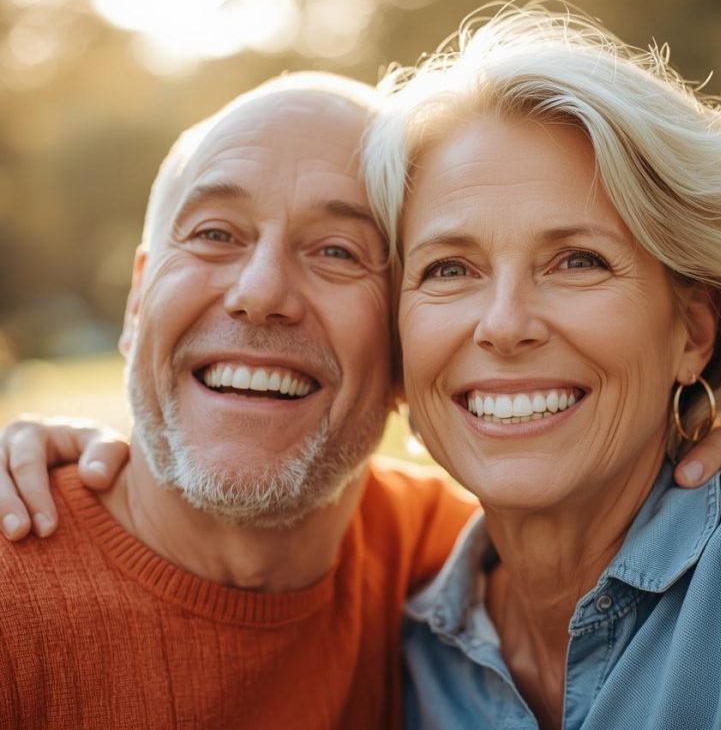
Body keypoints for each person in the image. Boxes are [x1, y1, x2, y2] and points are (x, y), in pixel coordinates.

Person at [0, 71, 477, 730]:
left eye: (338, 250)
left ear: (409, 341)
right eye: (215, 235)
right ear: (139, 301)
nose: (259, 292)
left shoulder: (449, 551)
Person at [359, 0, 721, 729]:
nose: (505, 324)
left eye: (578, 261)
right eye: (450, 269)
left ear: (692, 335)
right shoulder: (406, 654)